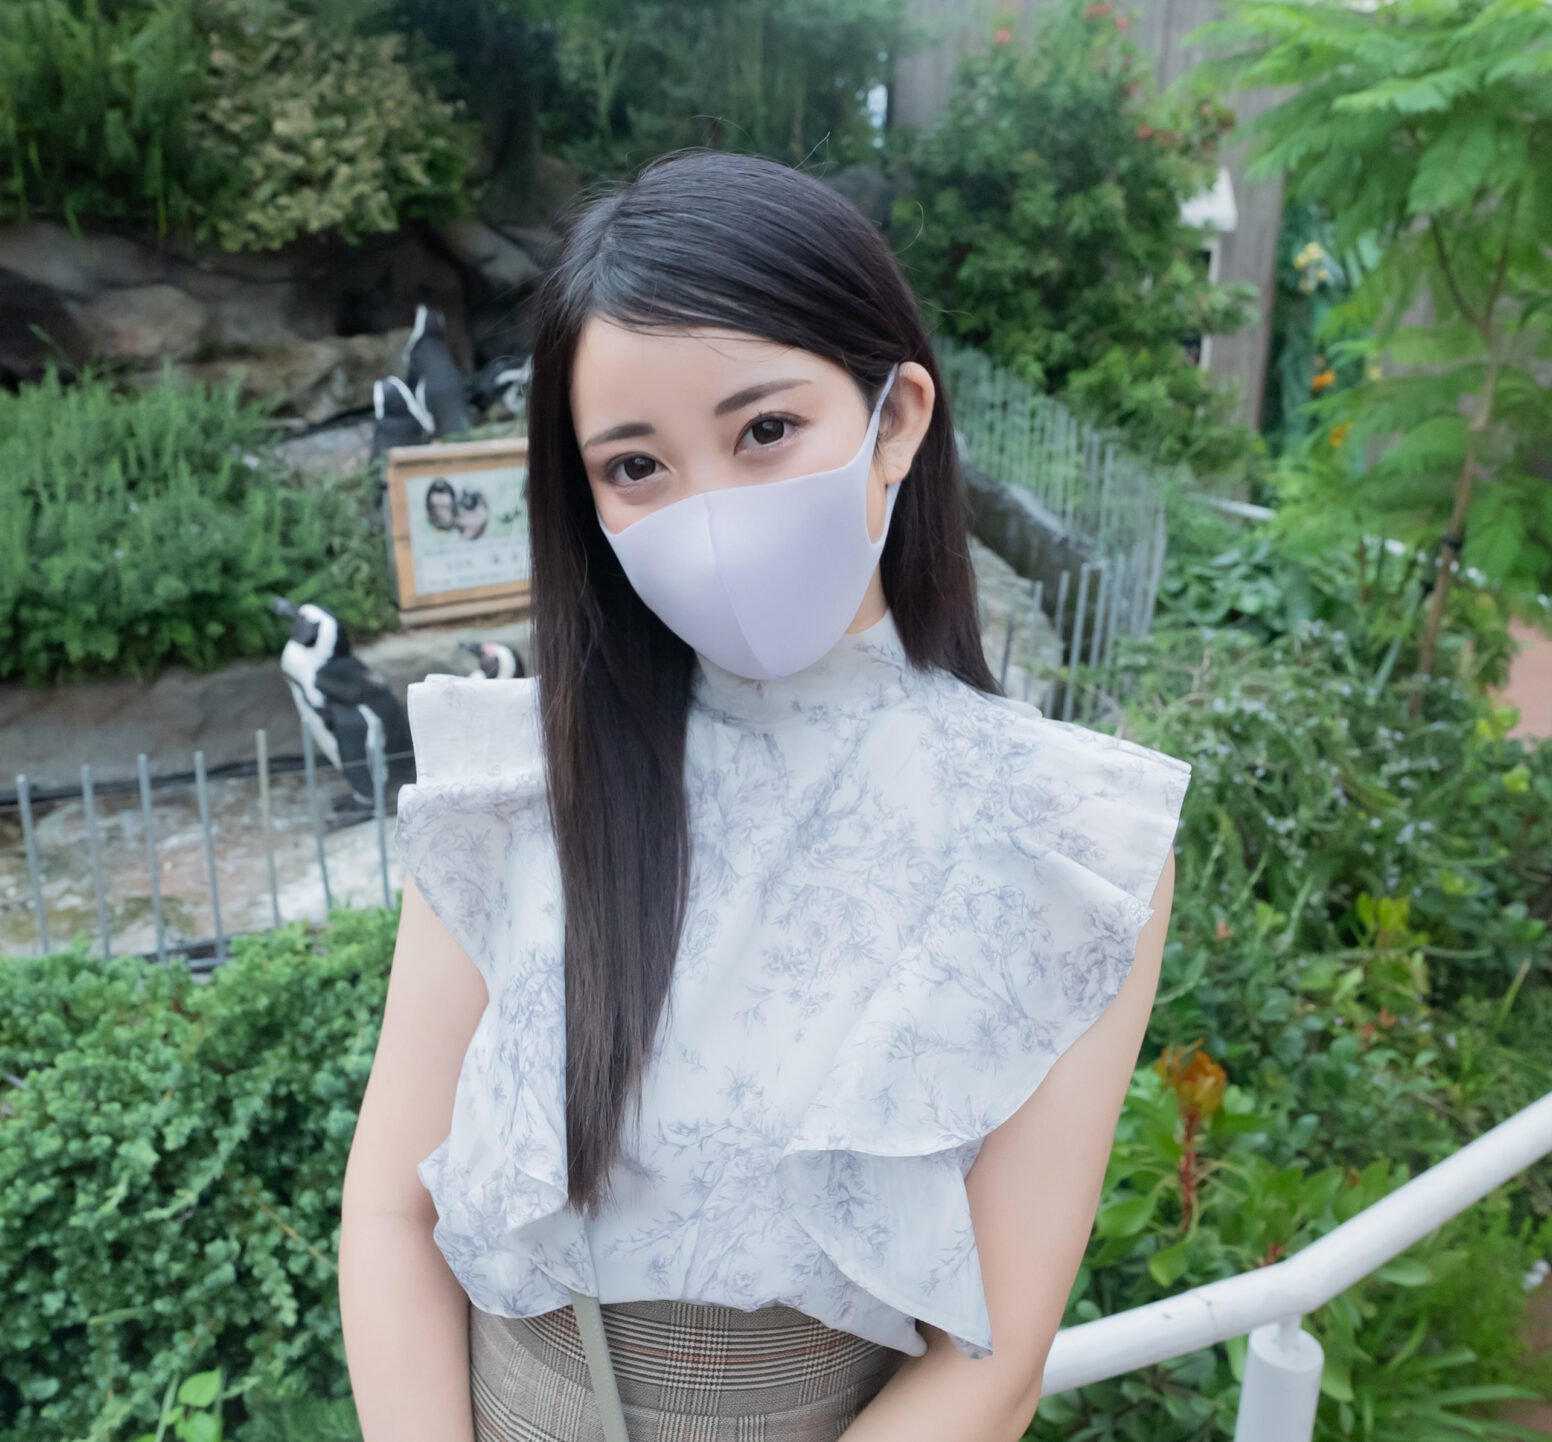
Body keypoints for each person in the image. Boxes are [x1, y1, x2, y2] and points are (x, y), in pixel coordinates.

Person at [338, 150, 1192, 1442]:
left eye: (765, 431)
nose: (713, 513)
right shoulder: (518, 779)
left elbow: (996, 1359)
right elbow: (392, 1206)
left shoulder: (1061, 839)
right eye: (637, 466)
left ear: (894, 419)